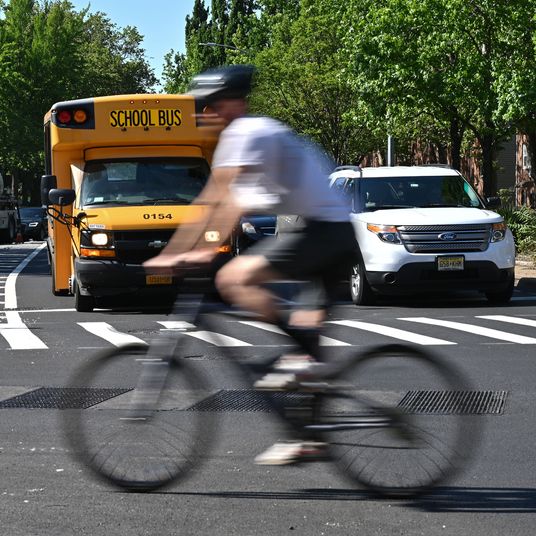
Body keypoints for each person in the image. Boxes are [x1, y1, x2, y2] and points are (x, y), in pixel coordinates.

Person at [143, 64, 357, 464]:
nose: (203, 114)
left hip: (325, 231)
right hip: (330, 230)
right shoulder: (243, 138)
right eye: (201, 108)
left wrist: (200, 251)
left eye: (208, 106)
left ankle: (298, 361)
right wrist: (176, 251)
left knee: (234, 278)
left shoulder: (245, 133)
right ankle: (309, 436)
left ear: (230, 105)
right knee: (309, 336)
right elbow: (211, 203)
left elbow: (225, 203)